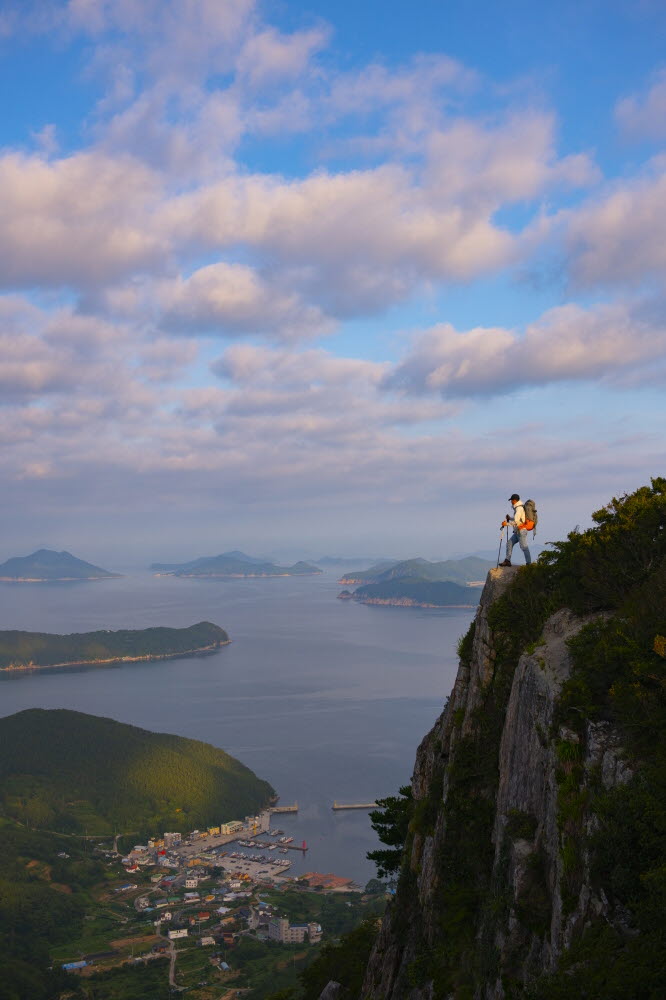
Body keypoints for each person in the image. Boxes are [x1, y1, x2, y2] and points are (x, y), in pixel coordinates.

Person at [499, 493, 532, 566]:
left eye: (511, 500)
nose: (511, 502)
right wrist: (510, 518)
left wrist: (506, 524)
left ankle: (529, 564)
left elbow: (516, 522)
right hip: (518, 531)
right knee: (509, 543)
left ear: (514, 500)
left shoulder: (519, 508)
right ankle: (507, 560)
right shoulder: (518, 508)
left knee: (524, 547)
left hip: (521, 531)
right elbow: (518, 519)